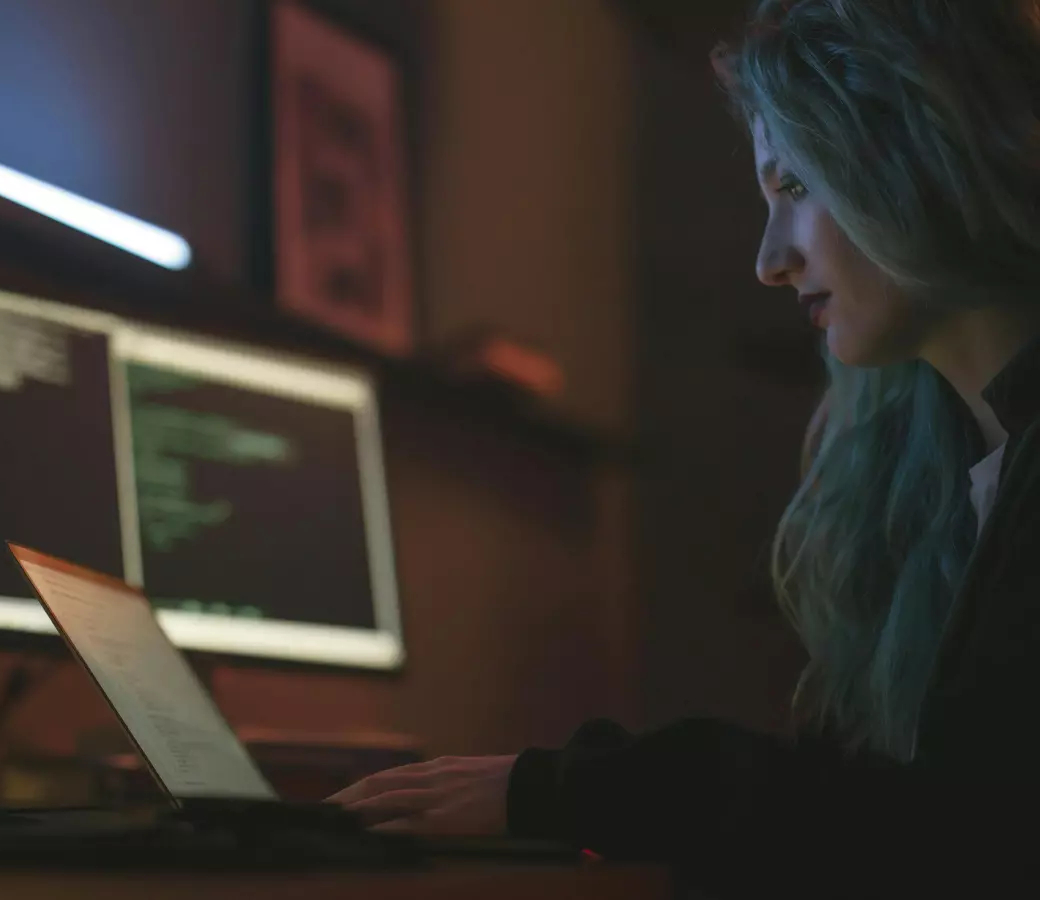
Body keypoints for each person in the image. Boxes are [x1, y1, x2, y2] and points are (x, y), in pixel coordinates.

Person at [329, 0, 1040, 894]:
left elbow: (971, 835)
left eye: (794, 188)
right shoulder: (941, 475)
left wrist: (570, 791)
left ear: (919, 153)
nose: (770, 259)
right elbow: (871, 811)